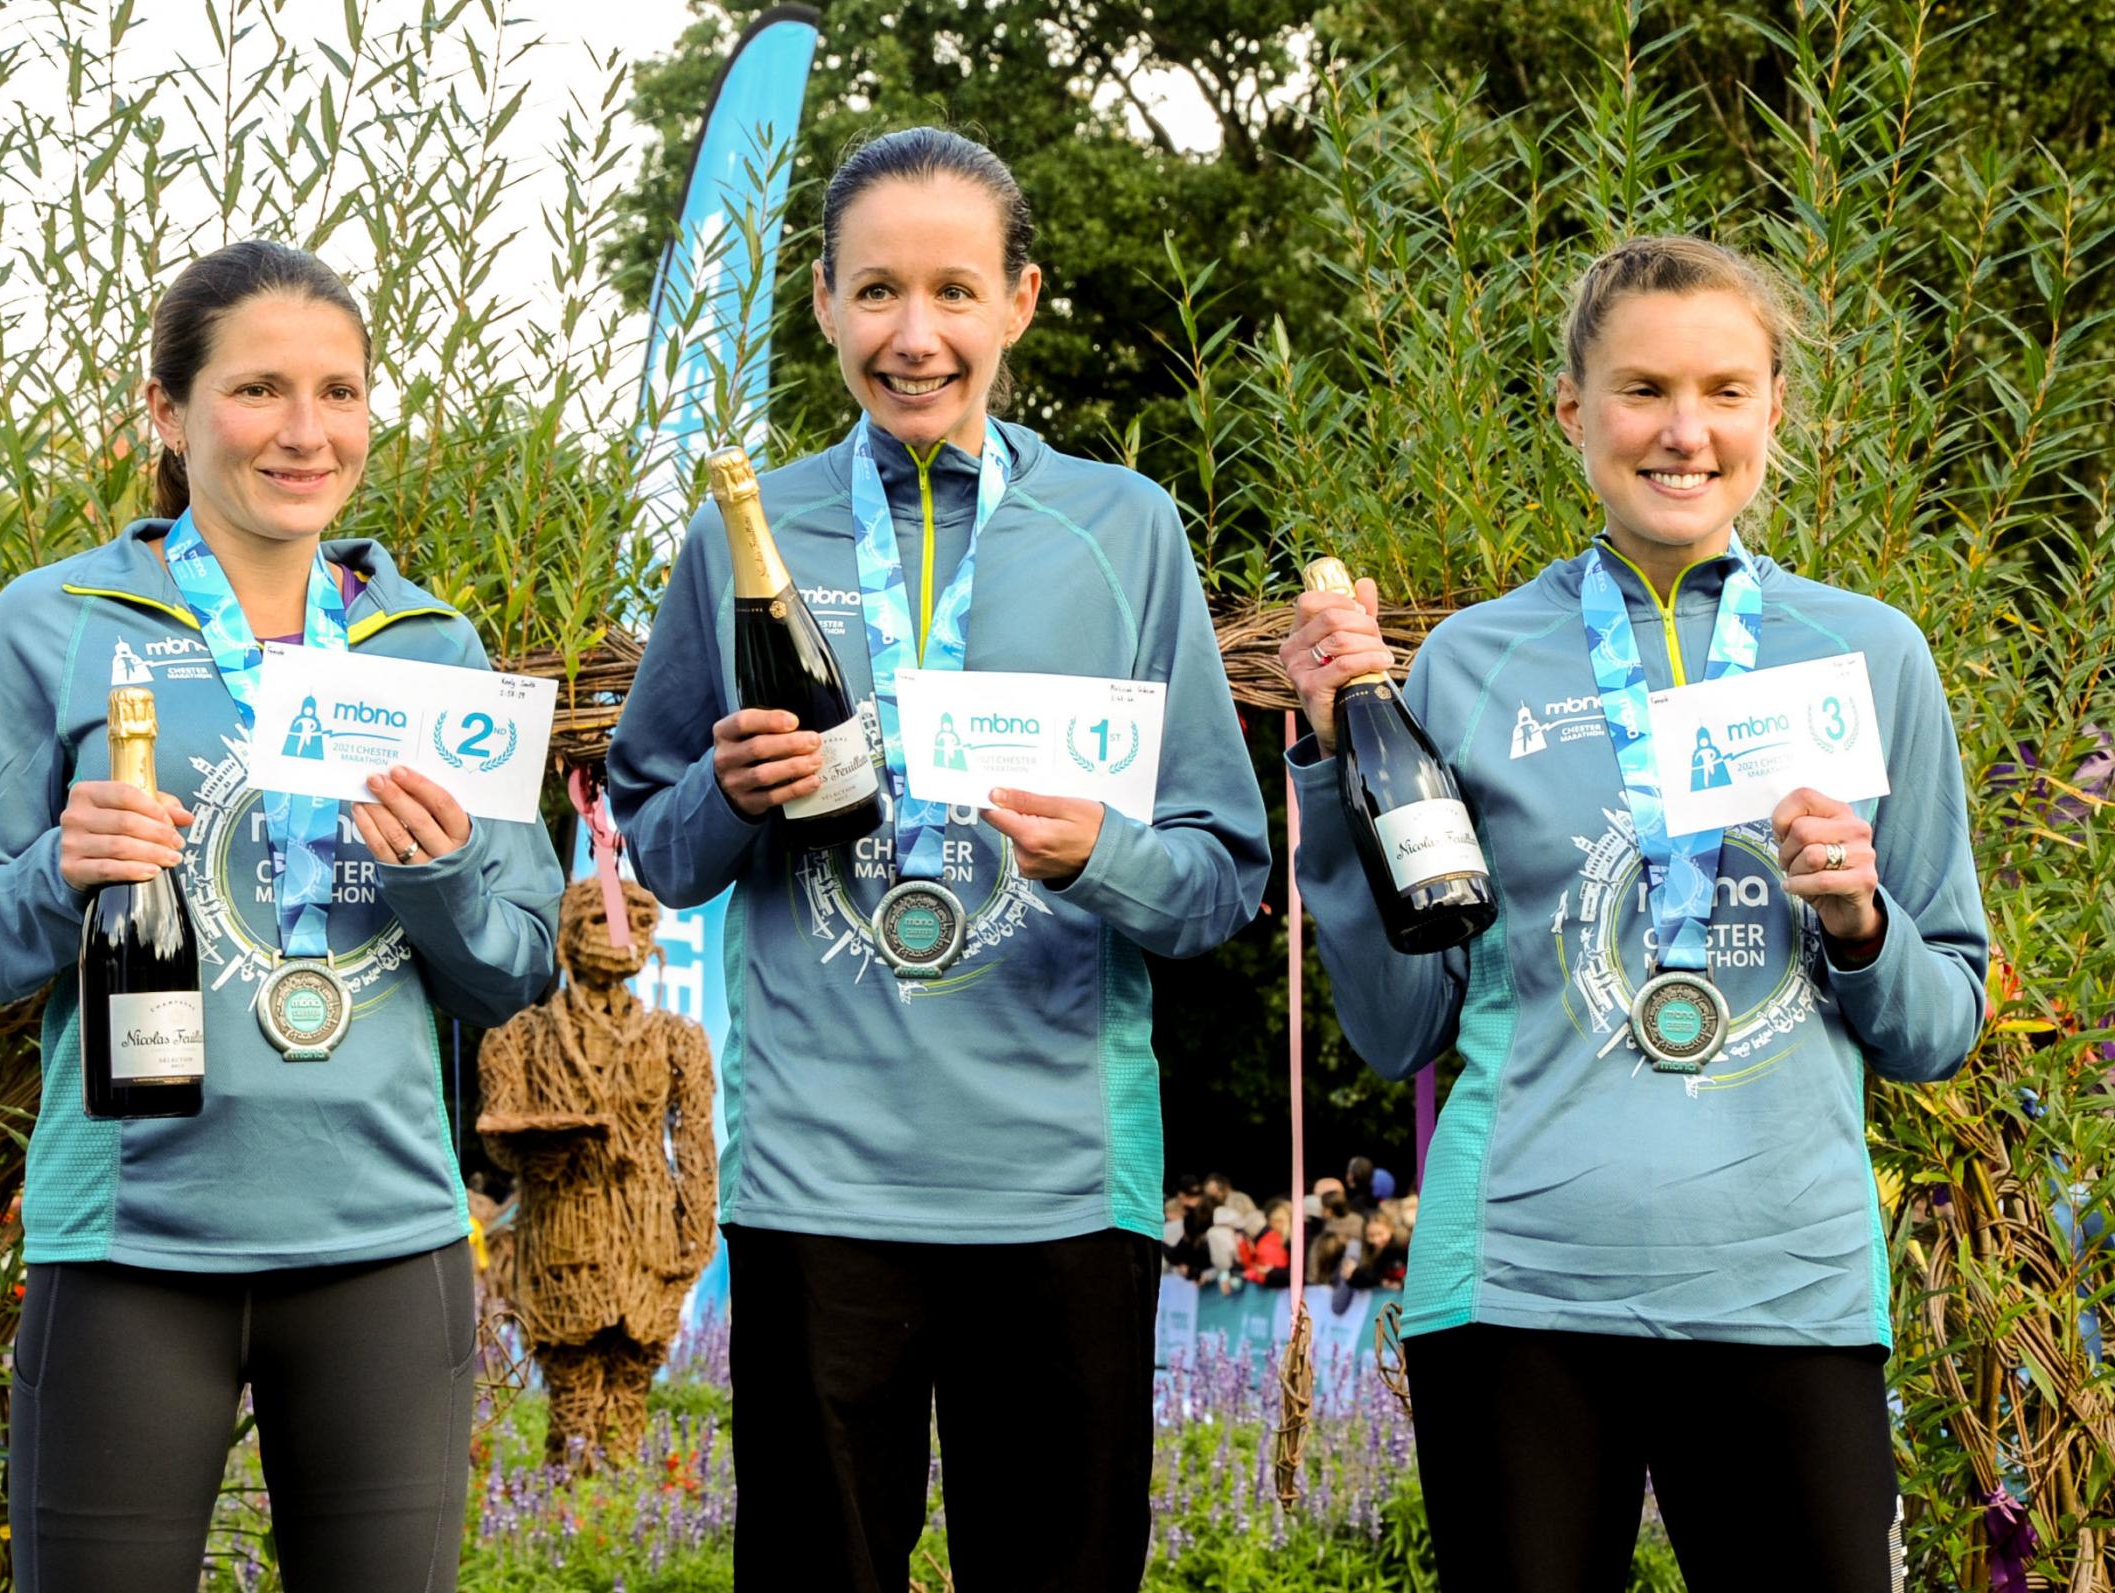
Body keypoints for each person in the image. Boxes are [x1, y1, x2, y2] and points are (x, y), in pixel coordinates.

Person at [607, 126, 1269, 1593]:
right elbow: (659, 834)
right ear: (826, 307)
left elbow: (1225, 874)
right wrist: (733, 795)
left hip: (1062, 1186)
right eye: (879, 293)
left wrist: (1105, 853)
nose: (917, 336)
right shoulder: (746, 530)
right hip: (817, 1185)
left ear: (1020, 302)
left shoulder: (1123, 530)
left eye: (957, 292)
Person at [1282, 235, 1987, 1592]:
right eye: (1642, 388)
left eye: (1725, 389)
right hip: (1520, 1295)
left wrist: (1858, 919)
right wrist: (1322, 767)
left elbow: (1940, 1024)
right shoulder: (1472, 661)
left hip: (1790, 1292)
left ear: (1777, 405)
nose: (1684, 430)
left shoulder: (1871, 654)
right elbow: (1395, 1021)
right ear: (1573, 412)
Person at [0, 239, 564, 1593]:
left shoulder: (432, 648)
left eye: (340, 391)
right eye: (259, 389)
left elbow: (518, 969)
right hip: (134, 1243)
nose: (306, 431)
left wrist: (439, 875)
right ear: (168, 410)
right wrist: (56, 871)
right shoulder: (54, 625)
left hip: (385, 1239)